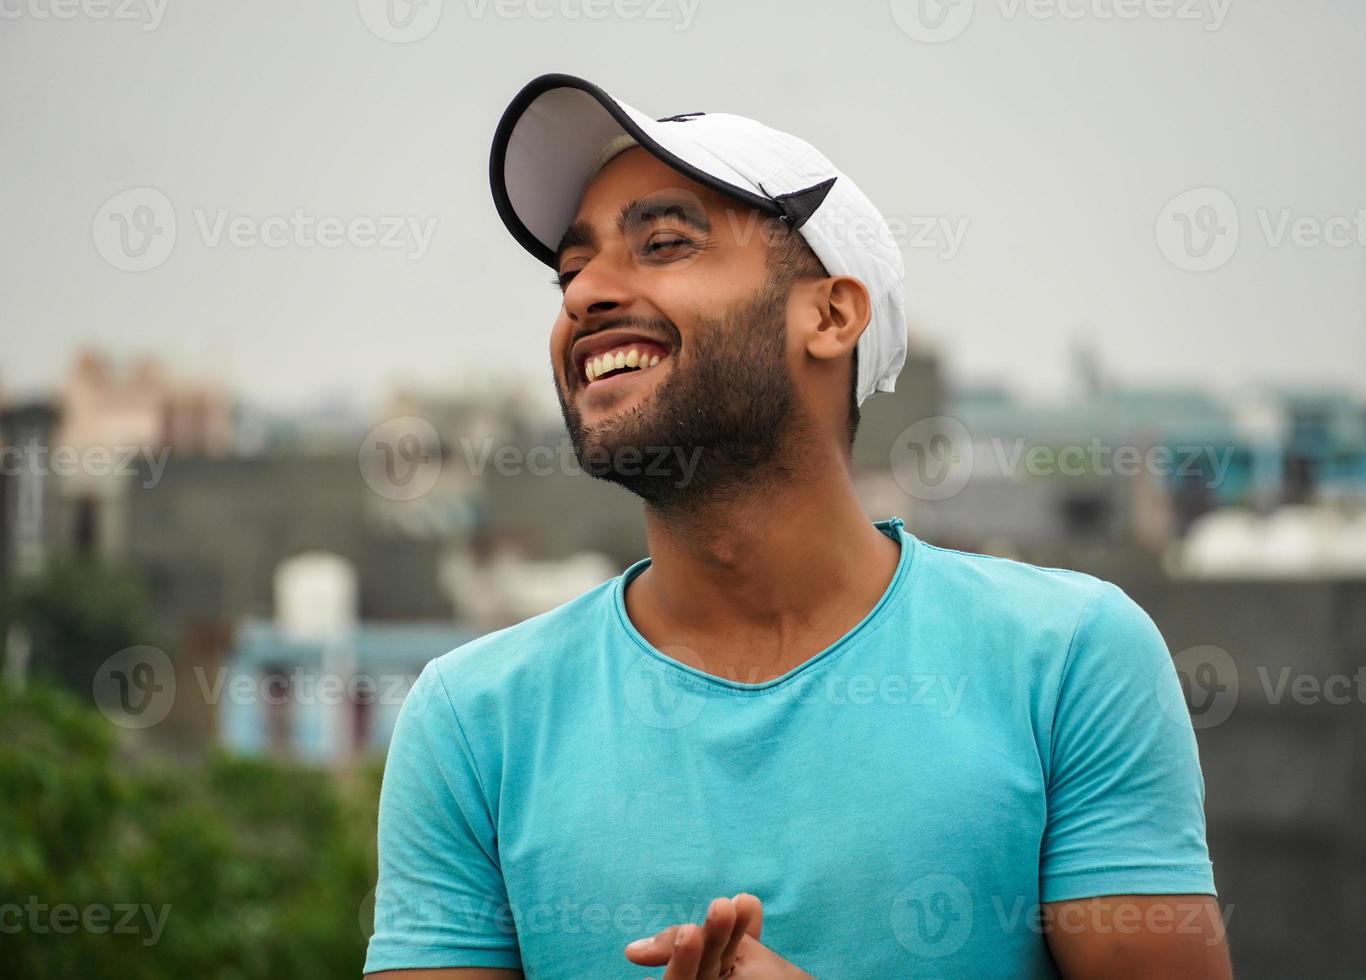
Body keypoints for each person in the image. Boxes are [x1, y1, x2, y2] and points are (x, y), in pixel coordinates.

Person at [364, 73, 1231, 980]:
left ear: (829, 314)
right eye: (571, 270)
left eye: (663, 243)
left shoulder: (1069, 663)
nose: (583, 295)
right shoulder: (473, 723)